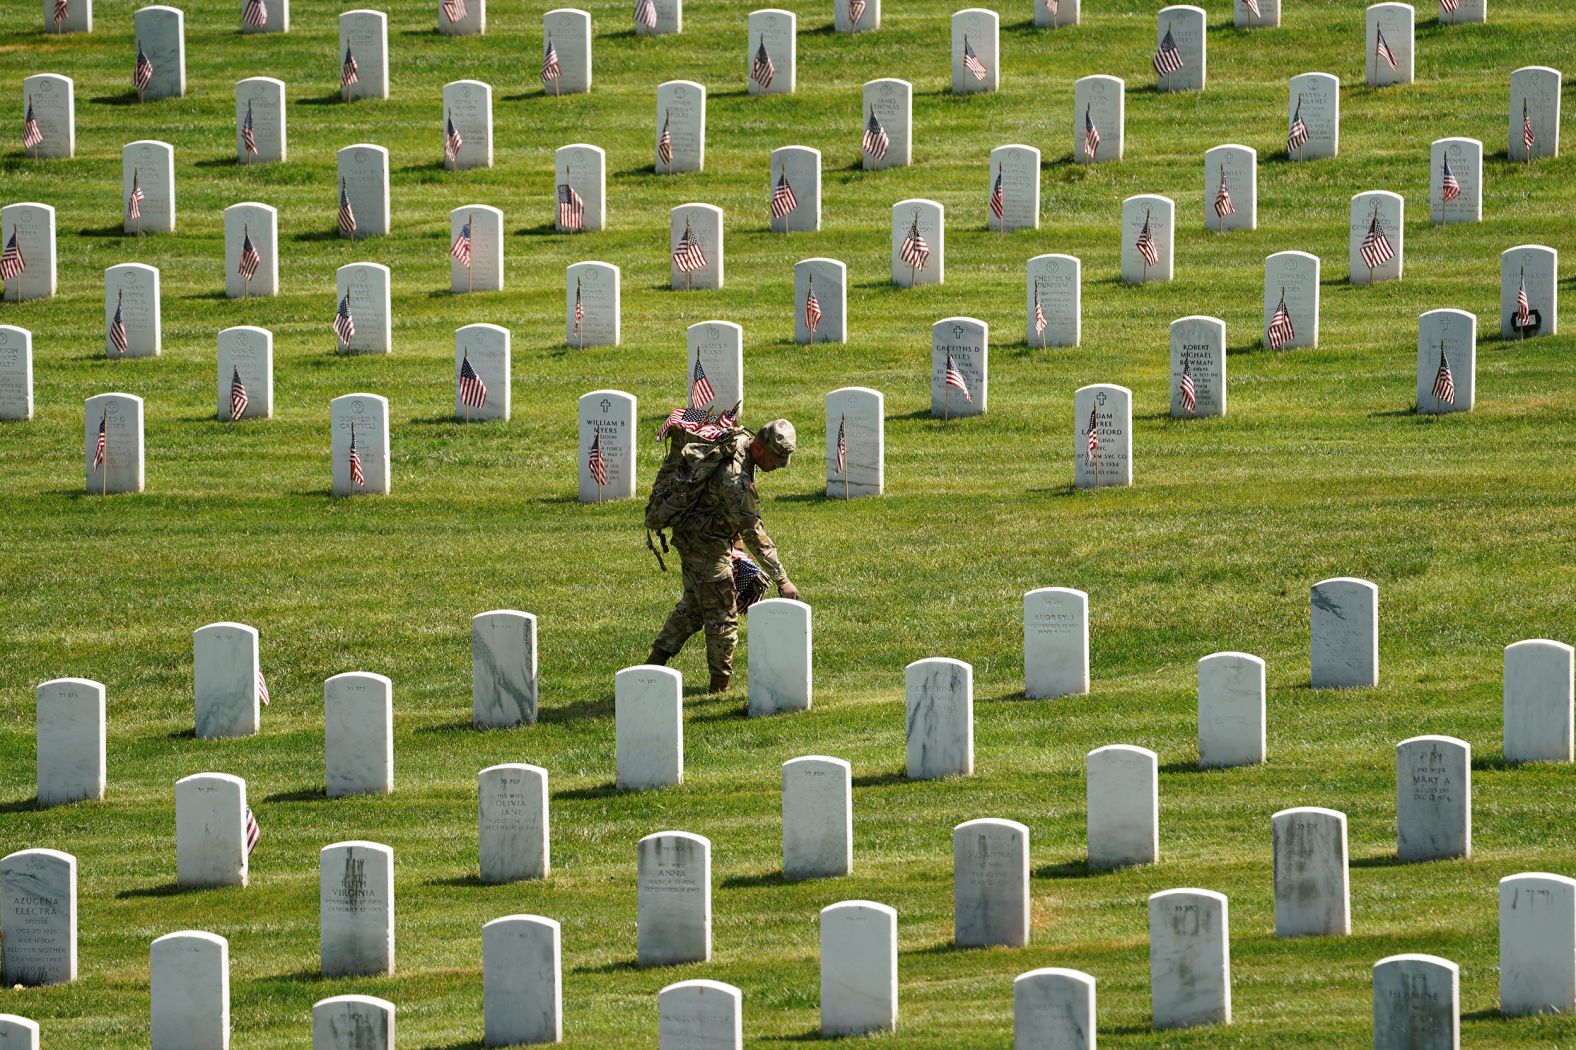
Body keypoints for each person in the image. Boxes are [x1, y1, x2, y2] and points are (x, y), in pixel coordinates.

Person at [646, 419, 800, 692]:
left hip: (697, 536)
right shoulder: (735, 479)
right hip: (704, 544)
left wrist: (734, 540)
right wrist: (782, 579)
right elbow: (754, 532)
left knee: (694, 608)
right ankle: (720, 686)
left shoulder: (740, 443)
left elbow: (720, 507)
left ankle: (652, 665)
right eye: (776, 459)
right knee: (723, 616)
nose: (777, 466)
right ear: (761, 449)